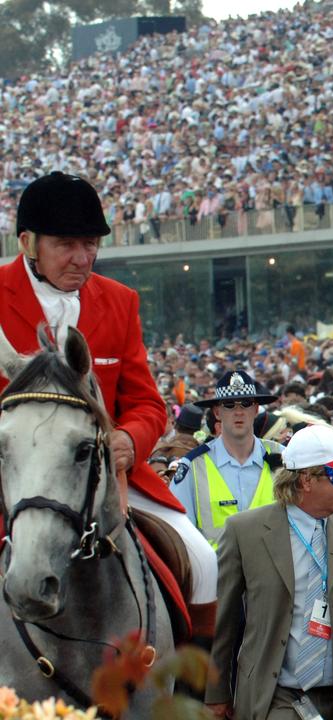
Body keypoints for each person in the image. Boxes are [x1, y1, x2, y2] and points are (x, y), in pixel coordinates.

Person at [0, 171, 218, 644]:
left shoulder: (119, 301)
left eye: (90, 244)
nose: (83, 259)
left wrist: (129, 439)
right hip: (15, 475)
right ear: (27, 242)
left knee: (203, 559)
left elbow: (145, 403)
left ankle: (204, 692)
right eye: (66, 245)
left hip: (105, 475)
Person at [205, 424, 333, 720]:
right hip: (276, 693)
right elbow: (224, 619)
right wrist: (217, 693)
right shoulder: (245, 531)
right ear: (306, 480)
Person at [171, 370, 286, 548]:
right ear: (217, 412)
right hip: (217, 573)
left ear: (256, 409)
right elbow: (179, 534)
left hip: (271, 574)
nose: (238, 412)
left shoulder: (284, 457)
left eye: (245, 404)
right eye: (229, 405)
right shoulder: (192, 466)